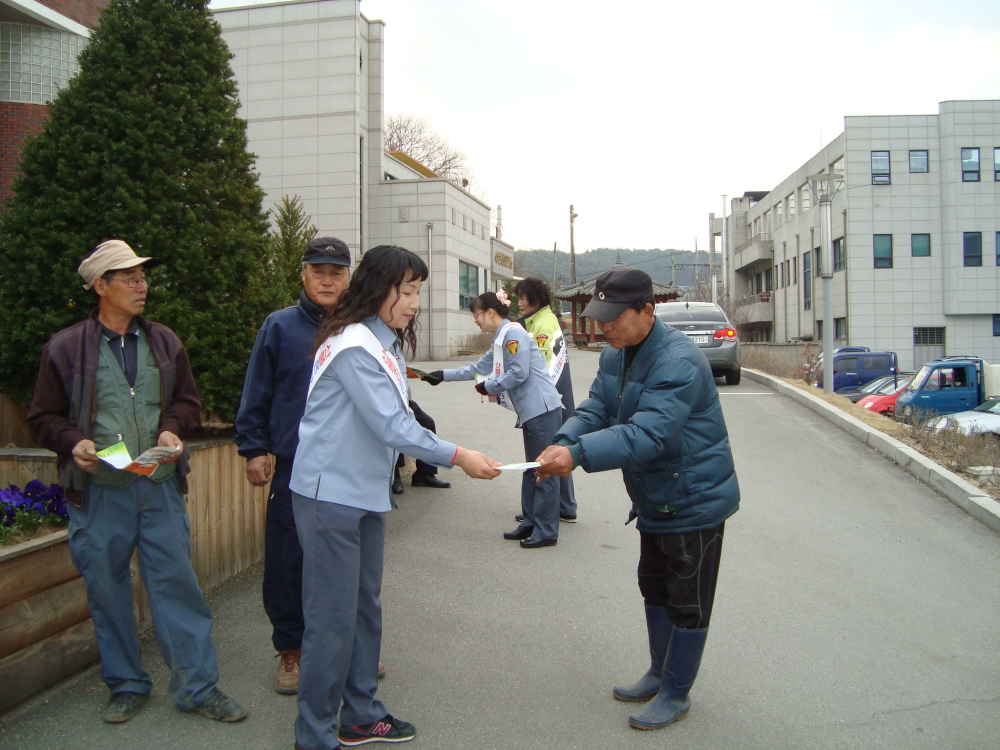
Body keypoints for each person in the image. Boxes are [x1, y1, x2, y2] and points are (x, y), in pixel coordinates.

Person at [290, 245, 500, 750]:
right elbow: (392, 424)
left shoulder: (380, 343)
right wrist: (458, 454)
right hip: (329, 496)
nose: (413, 302)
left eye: (418, 291)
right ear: (376, 288)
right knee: (331, 621)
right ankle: (314, 735)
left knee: (364, 609)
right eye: (406, 291)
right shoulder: (354, 346)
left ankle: (359, 714)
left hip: (362, 494)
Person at [26, 240, 246, 725]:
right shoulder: (64, 348)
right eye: (129, 277)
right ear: (100, 286)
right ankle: (126, 684)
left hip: (159, 485)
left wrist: (174, 427)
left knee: (177, 587)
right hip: (99, 492)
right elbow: (42, 418)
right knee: (107, 589)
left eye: (142, 277)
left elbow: (187, 401)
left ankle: (198, 686)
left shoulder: (164, 341)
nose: (141, 285)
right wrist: (72, 442)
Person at [535, 267, 739, 731]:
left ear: (648, 311)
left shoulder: (679, 361)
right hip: (654, 497)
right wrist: (564, 438)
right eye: (599, 316)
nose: (604, 326)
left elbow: (647, 434)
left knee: (688, 599)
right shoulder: (617, 355)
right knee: (654, 586)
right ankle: (657, 672)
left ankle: (676, 692)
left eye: (614, 317)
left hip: (693, 499)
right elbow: (598, 410)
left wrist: (578, 455)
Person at [236, 237, 385, 694]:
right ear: (302, 274)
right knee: (288, 563)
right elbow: (256, 391)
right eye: (317, 270)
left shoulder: (363, 329)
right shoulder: (279, 327)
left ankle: (353, 651)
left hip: (350, 471)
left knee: (351, 568)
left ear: (349, 277)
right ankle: (293, 651)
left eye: (336, 271)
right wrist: (254, 447)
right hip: (294, 467)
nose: (326, 279)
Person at [423, 290, 565, 549]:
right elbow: (477, 368)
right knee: (531, 468)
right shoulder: (501, 340)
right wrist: (441, 374)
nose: (475, 320)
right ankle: (531, 522)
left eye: (475, 314)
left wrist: (489, 386)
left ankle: (546, 530)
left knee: (542, 468)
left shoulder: (514, 334)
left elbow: (519, 372)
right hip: (532, 411)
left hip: (542, 409)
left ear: (490, 312)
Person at [513, 277, 577, 523]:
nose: (519, 303)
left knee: (547, 454)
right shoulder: (544, 319)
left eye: (522, 298)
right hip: (559, 395)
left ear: (535, 298)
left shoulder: (542, 325)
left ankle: (546, 511)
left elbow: (539, 365)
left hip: (550, 399)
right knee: (558, 450)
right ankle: (565, 507)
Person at [391, 398, 451, 494]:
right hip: (388, 402)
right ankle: (395, 475)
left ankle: (424, 474)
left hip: (404, 400)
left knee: (427, 422)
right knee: (396, 429)